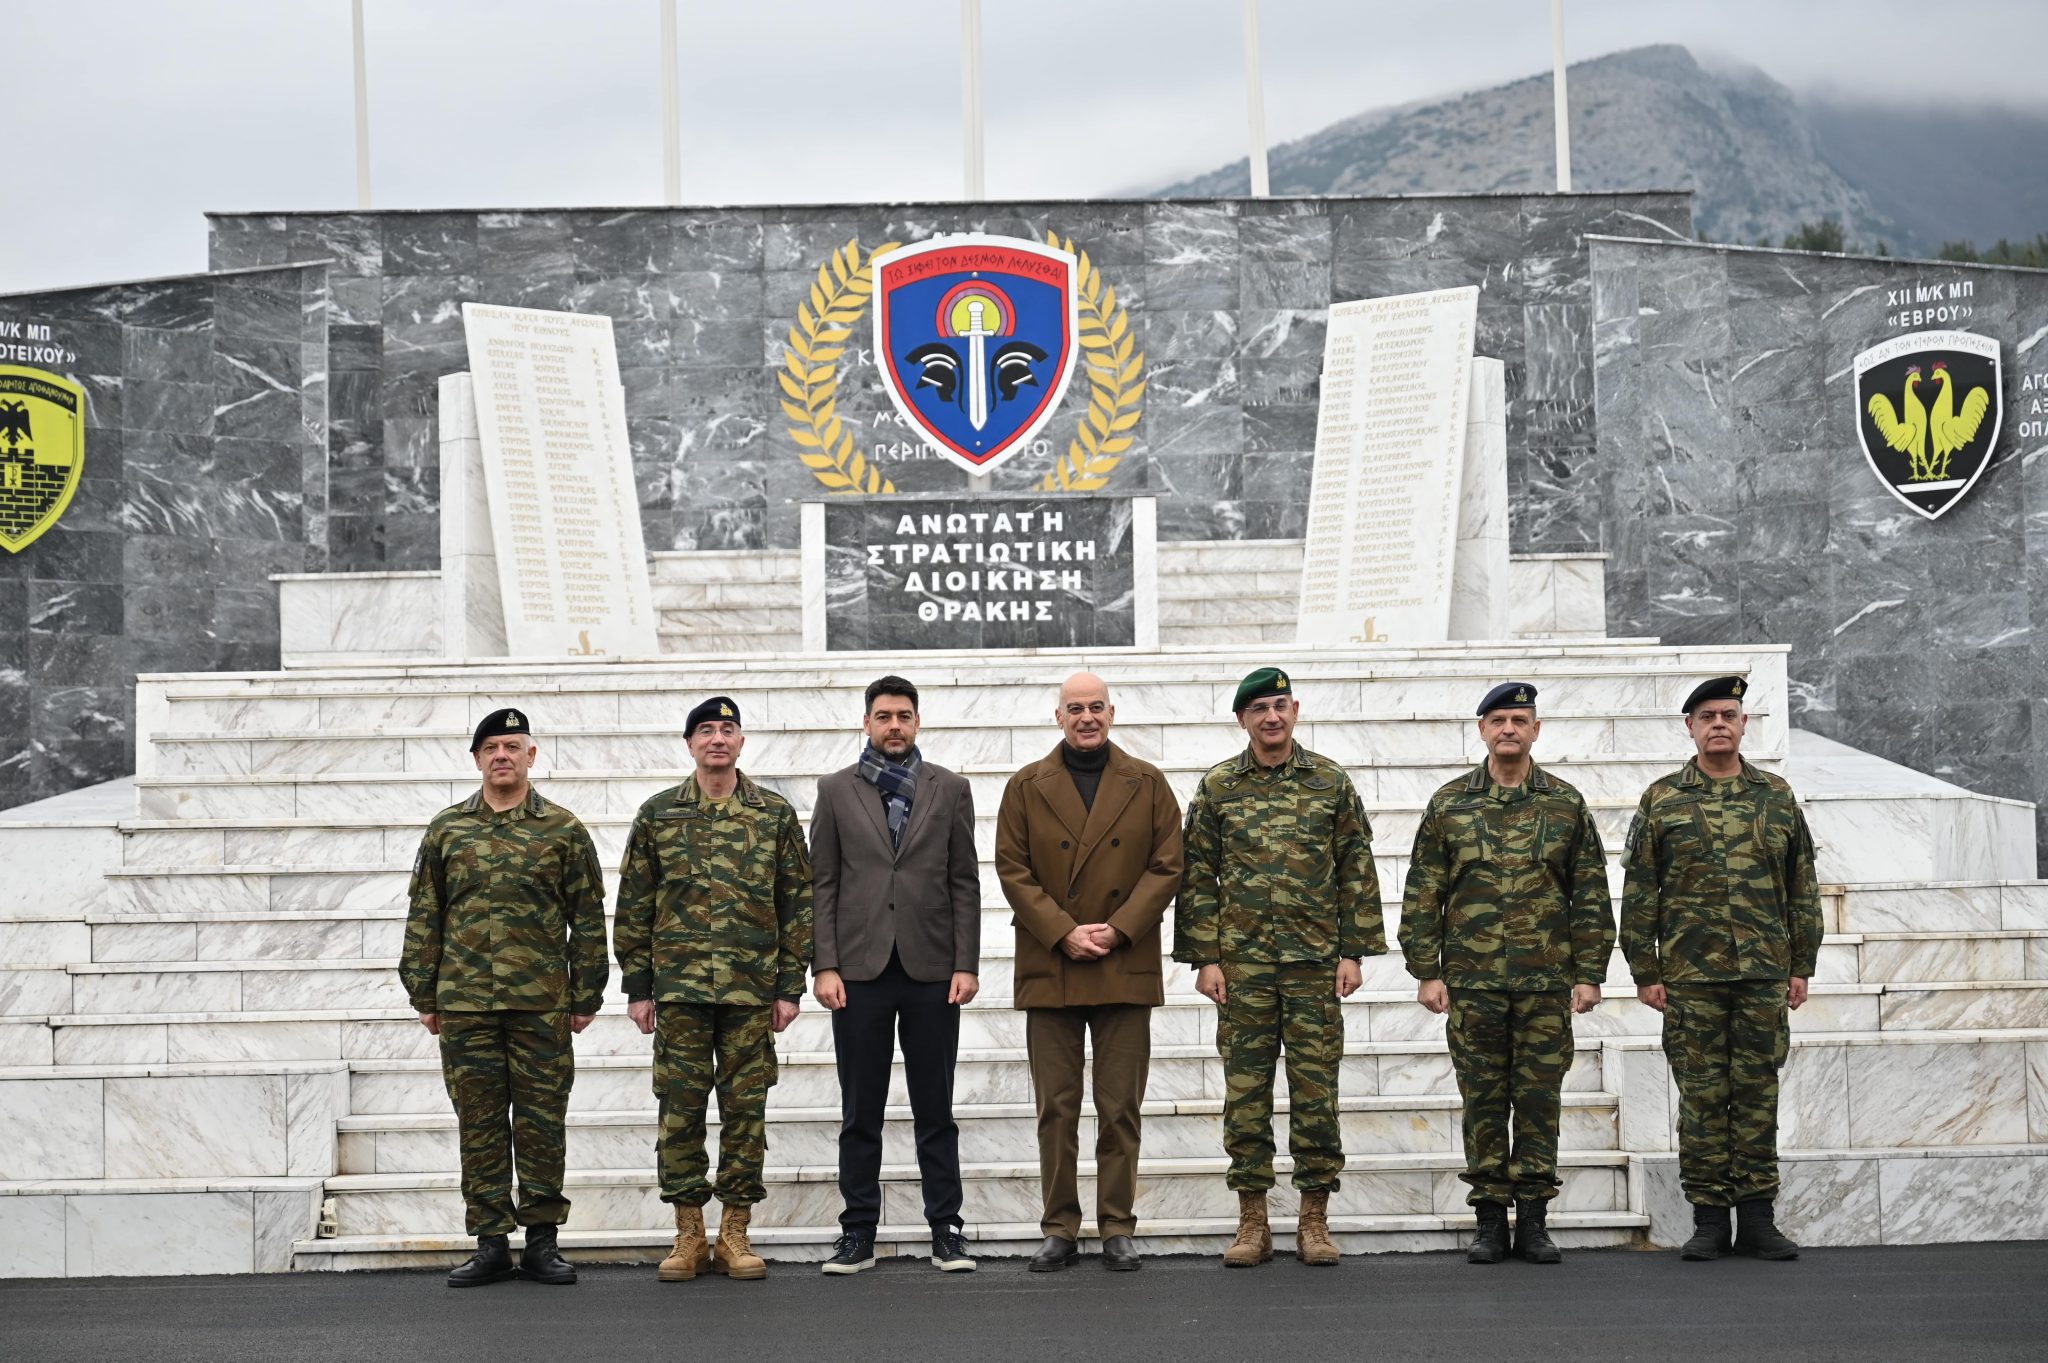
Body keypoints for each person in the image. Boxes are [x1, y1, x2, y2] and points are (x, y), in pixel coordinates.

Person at [1400, 681, 1613, 1265]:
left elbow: (1590, 893)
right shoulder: (1450, 805)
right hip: (1473, 983)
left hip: (1546, 984)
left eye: (1519, 719)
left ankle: (1536, 1219)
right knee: (1484, 1101)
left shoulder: (1565, 805)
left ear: (1536, 729)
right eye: (1498, 720)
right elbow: (1424, 892)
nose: (1509, 730)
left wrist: (1589, 972)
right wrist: (1426, 970)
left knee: (1540, 1100)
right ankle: (1491, 1218)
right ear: (1482, 731)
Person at [1176, 667, 1382, 1267]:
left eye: (1281, 705)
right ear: (1242, 719)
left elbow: (1355, 868)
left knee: (1316, 1092)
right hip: (1242, 969)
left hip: (1315, 964)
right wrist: (1206, 958)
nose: (1272, 716)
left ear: (1296, 711)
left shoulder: (1328, 782)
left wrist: (1353, 951)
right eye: (1260, 707)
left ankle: (1314, 1219)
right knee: (1246, 1095)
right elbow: (1198, 877)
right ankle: (1253, 1220)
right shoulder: (1218, 787)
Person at [401, 707, 608, 1288]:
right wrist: (424, 989)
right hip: (465, 1003)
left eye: (512, 746)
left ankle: (543, 1242)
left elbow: (587, 917)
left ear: (530, 756)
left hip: (541, 1004)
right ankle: (490, 1241)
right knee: (480, 1122)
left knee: (543, 1121)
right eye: (491, 747)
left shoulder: (562, 830)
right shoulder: (447, 830)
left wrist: (586, 991)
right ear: (476, 759)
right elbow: (425, 913)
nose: (501, 756)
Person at [1621, 675, 1821, 1262]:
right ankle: (1709, 1219)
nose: (1717, 723)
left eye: (1727, 714)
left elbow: (1801, 885)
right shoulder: (1663, 798)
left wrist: (1800, 962)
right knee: (1703, 1099)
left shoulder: (1776, 796)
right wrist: (1644, 968)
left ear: (1743, 725)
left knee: (1758, 1094)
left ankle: (1758, 1217)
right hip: (1690, 976)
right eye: (1706, 715)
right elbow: (1640, 890)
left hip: (1762, 973)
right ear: (1689, 726)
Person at [614, 695, 813, 1282]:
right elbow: (634, 904)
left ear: (741, 742)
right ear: (691, 744)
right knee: (680, 1112)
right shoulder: (658, 815)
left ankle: (735, 1231)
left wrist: (789, 986)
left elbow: (796, 902)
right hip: (679, 992)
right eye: (706, 731)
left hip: (751, 993)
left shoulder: (773, 815)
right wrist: (638, 986)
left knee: (746, 1111)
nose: (717, 739)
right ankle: (688, 1233)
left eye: (727, 730)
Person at [995, 671, 1183, 1272]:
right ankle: (1059, 1226)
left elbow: (1167, 865)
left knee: (1120, 1106)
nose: (1086, 717)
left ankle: (1117, 1225)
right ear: (1058, 716)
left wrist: (1119, 927)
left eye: (1095, 707)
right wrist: (1063, 931)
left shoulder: (1147, 782)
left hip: (1122, 961)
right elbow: (1012, 868)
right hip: (1052, 962)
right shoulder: (1026, 786)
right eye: (1074, 708)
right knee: (1057, 1106)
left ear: (1112, 712)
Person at [810, 675, 981, 1275]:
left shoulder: (950, 789)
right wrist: (824, 964)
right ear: (866, 723)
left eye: (904, 716)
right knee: (862, 1110)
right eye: (883, 716)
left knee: (936, 1107)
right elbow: (823, 883)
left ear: (917, 721)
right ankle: (857, 1232)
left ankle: (947, 1229)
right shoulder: (835, 791)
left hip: (934, 969)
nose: (894, 726)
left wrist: (966, 963)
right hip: (859, 971)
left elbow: (964, 880)